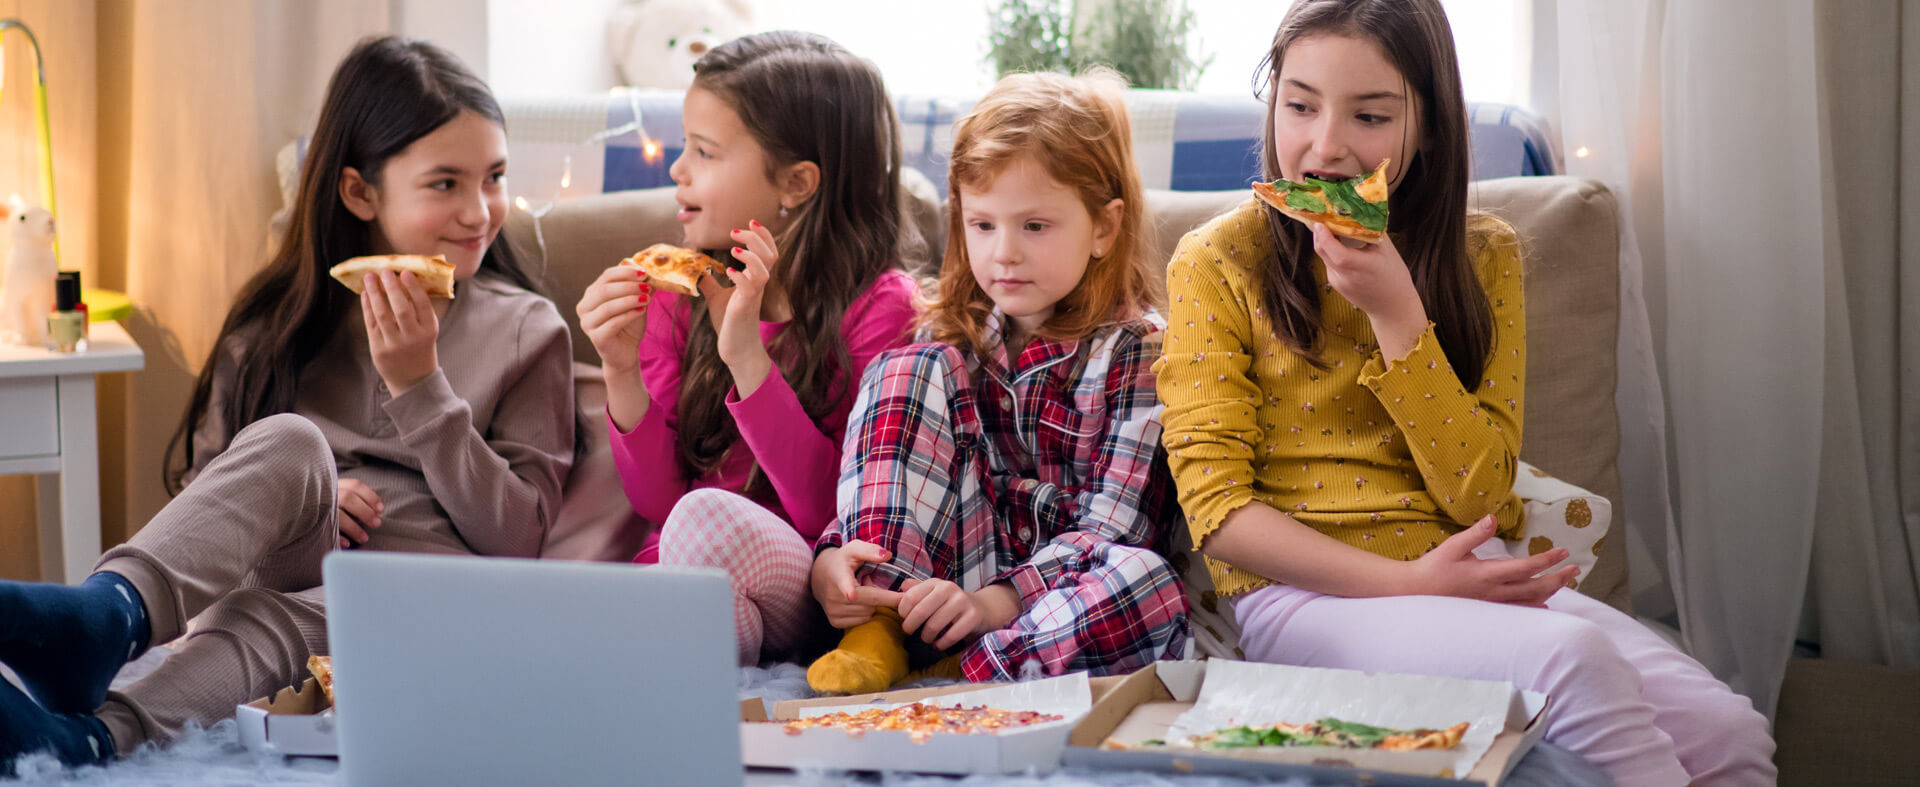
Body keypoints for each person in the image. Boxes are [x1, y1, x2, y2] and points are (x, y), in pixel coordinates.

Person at [1153, 1, 1776, 783]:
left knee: (1732, 732)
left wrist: (1397, 314)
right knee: (1576, 658)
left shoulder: (1486, 255)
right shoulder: (1215, 261)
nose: (1325, 146)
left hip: (1463, 570)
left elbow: (1484, 491)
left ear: (1431, 126)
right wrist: (1411, 583)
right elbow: (1218, 513)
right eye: (1300, 105)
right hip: (1300, 599)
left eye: (1371, 115)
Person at [0, 36, 575, 773]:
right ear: (359, 193)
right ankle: (106, 616)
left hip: (427, 606)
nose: (480, 210)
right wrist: (314, 502)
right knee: (294, 443)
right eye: (445, 184)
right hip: (283, 577)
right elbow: (209, 520)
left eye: (493, 177)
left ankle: (97, 735)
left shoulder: (527, 329)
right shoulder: (275, 328)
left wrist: (422, 390)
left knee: (275, 619)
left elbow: (518, 538)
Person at [805, 70, 1189, 695]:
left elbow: (1117, 529)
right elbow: (889, 468)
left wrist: (993, 605)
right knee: (905, 367)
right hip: (936, 580)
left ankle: (971, 668)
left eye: (1034, 226)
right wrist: (832, 558)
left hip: (1056, 593)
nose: (1003, 252)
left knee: (1147, 583)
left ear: (1103, 228)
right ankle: (875, 628)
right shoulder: (949, 335)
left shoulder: (1137, 349)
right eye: (983, 225)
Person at [574, 31, 918, 666]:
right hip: (692, 581)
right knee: (676, 584)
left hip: (806, 579)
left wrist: (748, 361)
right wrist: (620, 369)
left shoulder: (883, 310)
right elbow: (657, 504)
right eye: (684, 145)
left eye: (704, 151)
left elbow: (829, 510)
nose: (677, 169)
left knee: (704, 520)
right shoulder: (678, 292)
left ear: (796, 183)